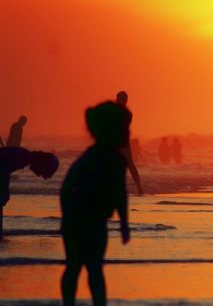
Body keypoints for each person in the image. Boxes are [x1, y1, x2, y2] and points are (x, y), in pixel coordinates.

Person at [60, 101, 132, 306]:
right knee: (85, 268)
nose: (129, 132)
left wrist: (124, 224)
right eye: (125, 128)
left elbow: (120, 193)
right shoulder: (102, 158)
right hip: (84, 221)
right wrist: (124, 224)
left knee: (81, 268)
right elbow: (67, 187)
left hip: (91, 220)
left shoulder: (101, 156)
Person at [0, 147, 58, 239]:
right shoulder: (22, 157)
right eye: (42, 172)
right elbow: (2, 171)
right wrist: (4, 192)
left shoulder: (24, 156)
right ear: (42, 164)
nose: (38, 175)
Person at [116, 91, 144, 194]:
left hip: (123, 141)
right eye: (120, 98)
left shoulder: (127, 113)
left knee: (130, 164)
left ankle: (140, 188)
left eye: (123, 99)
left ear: (126, 100)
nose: (121, 101)